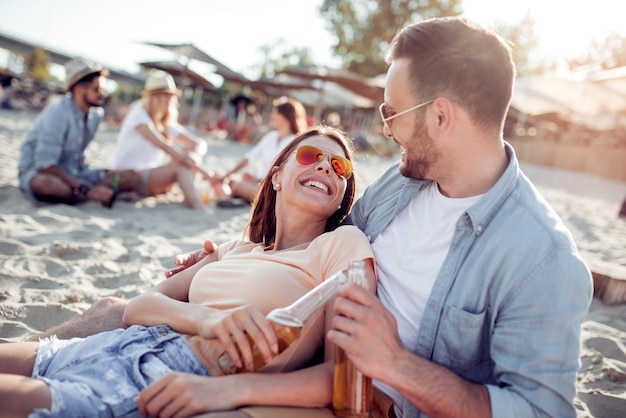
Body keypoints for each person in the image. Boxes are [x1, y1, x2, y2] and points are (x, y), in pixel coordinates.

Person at [21, 17, 594, 418]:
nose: (386, 131)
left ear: (441, 117)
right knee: (103, 316)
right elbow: (313, 240)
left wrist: (396, 366)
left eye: (392, 114)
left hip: (353, 396)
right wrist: (226, 264)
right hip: (275, 354)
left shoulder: (541, 260)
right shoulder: (400, 187)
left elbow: (541, 410)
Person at [1, 126, 376, 417]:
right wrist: (205, 318)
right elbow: (138, 307)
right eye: (311, 155)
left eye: (339, 167)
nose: (325, 166)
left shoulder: (341, 246)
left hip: (171, 374)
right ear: (276, 176)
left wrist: (230, 391)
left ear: (342, 194)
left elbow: (345, 377)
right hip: (121, 344)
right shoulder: (237, 247)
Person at [17, 58, 141, 207]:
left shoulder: (96, 114)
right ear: (79, 89)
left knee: (132, 176)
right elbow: (45, 164)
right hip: (43, 173)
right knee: (46, 185)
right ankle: (95, 196)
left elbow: (80, 154)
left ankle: (99, 194)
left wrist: (89, 173)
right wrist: (86, 189)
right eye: (97, 89)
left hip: (75, 173)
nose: (102, 94)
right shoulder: (58, 112)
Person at [111, 72, 218, 210]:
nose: (169, 99)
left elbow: (199, 143)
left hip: (146, 174)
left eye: (171, 96)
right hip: (128, 176)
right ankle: (197, 205)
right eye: (165, 95)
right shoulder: (139, 117)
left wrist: (193, 156)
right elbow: (163, 145)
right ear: (153, 97)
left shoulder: (162, 120)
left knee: (188, 156)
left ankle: (192, 198)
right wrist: (203, 172)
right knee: (181, 166)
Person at [218, 96, 308, 205]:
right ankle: (241, 198)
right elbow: (250, 157)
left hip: (276, 190)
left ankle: (237, 197)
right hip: (260, 183)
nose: (272, 116)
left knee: (237, 185)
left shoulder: (296, 141)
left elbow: (286, 174)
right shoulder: (271, 137)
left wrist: (257, 180)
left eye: (276, 113)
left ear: (287, 116)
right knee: (229, 179)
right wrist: (227, 174)